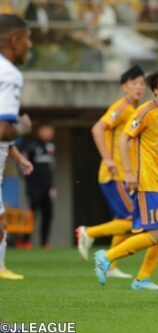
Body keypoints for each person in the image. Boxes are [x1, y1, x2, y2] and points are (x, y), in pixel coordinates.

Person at [94, 66, 158, 291]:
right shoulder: (145, 110)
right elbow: (124, 140)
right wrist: (129, 172)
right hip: (145, 181)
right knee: (155, 234)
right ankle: (107, 256)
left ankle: (142, 279)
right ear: (155, 89)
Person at [76, 65, 146, 279]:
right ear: (124, 87)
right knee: (132, 219)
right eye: (134, 83)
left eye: (142, 84)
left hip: (126, 174)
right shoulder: (122, 106)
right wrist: (107, 158)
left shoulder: (137, 109)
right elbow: (97, 128)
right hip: (114, 173)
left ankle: (111, 264)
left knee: (125, 219)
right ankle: (88, 232)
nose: (139, 87)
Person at [0, 14, 33, 280]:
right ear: (14, 41)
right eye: (27, 39)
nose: (30, 45)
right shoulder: (9, 74)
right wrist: (21, 126)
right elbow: (3, 130)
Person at [21, 123, 56, 250]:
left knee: (48, 215)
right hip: (33, 187)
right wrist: (29, 184)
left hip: (47, 187)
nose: (48, 132)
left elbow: (51, 168)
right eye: (45, 129)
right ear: (39, 131)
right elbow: (23, 167)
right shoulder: (31, 147)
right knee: (31, 215)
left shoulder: (51, 147)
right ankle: (25, 241)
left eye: (50, 130)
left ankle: (44, 242)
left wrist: (52, 186)